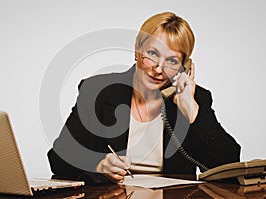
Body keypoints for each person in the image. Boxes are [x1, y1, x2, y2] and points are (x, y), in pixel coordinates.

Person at [47, 12, 240, 185]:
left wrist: (191, 111)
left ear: (184, 66)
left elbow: (230, 166)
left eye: (172, 61)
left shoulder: (195, 98)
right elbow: (59, 156)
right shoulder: (98, 90)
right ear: (137, 50)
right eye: (152, 54)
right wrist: (99, 165)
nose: (158, 69)